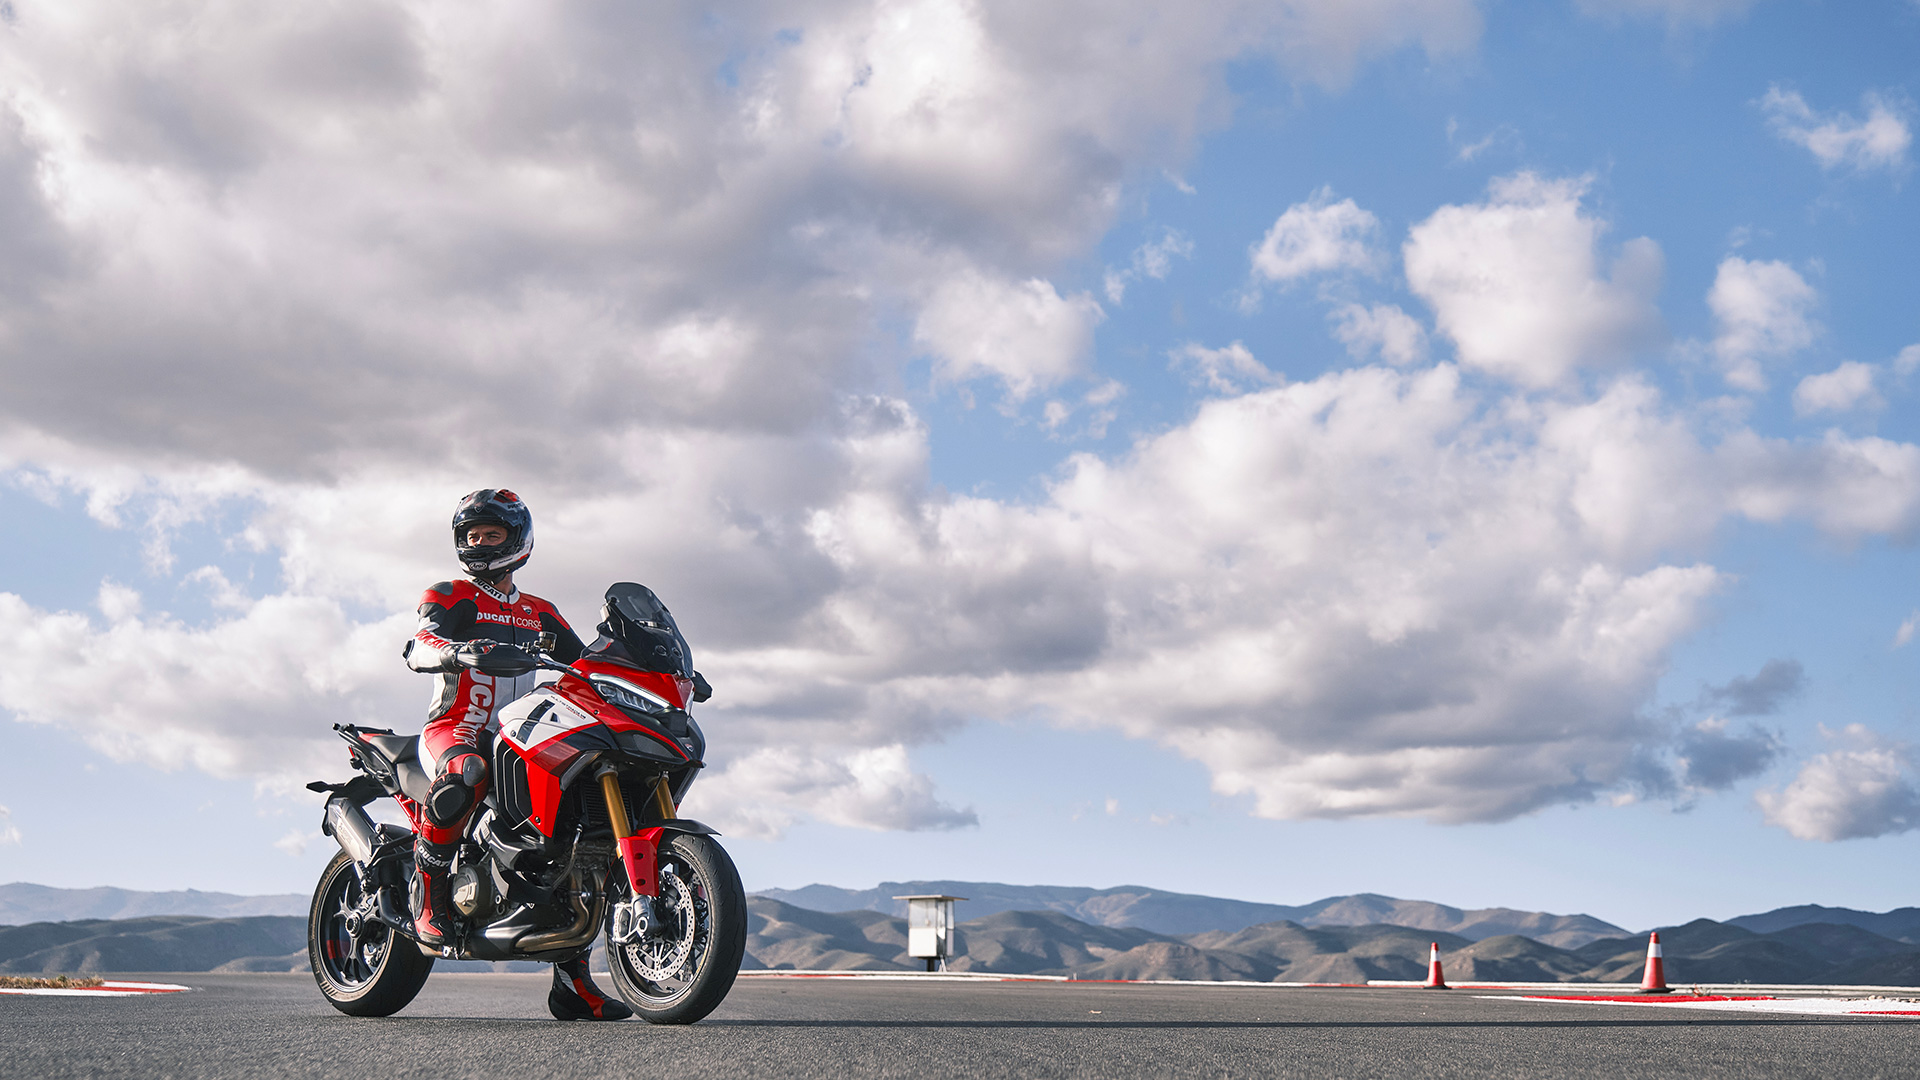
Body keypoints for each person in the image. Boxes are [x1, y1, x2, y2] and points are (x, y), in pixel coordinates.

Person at [402, 488, 631, 1022]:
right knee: (467, 771)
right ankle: (431, 901)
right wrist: (459, 650)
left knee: (570, 831)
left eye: (492, 534)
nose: (480, 543)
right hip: (455, 728)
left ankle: (573, 985)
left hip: (521, 733)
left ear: (518, 540)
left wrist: (655, 671)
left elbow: (588, 665)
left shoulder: (539, 612)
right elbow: (418, 646)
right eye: (472, 535)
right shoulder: (450, 594)